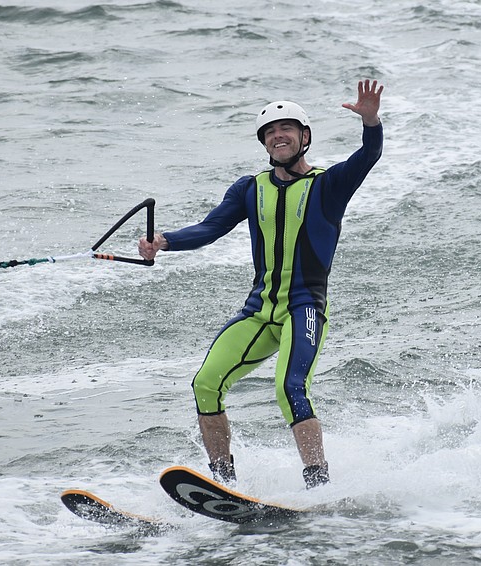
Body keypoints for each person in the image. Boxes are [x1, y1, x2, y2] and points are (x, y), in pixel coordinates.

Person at [139, 79, 384, 489]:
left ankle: (319, 486)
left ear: (304, 137)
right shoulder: (249, 189)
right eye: (270, 132)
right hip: (259, 310)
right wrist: (164, 242)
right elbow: (210, 228)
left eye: (286, 128)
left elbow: (369, 154)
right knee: (206, 384)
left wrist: (371, 121)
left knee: (291, 388)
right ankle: (223, 483)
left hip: (303, 309)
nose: (277, 136)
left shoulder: (329, 185)